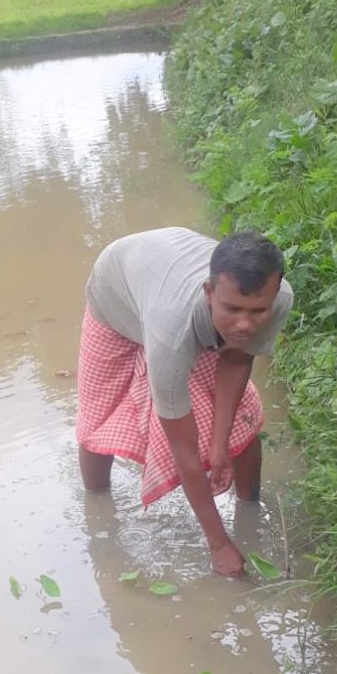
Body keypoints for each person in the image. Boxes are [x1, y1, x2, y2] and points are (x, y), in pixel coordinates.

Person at [76, 227, 293, 577]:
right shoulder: (172, 333)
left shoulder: (280, 300)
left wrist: (220, 445)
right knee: (100, 413)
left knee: (243, 417)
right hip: (115, 293)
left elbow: (237, 360)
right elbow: (185, 451)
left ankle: (250, 503)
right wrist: (218, 544)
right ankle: (96, 502)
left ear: (274, 295)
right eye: (232, 308)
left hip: (166, 277)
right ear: (209, 293)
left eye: (257, 311)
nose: (244, 324)